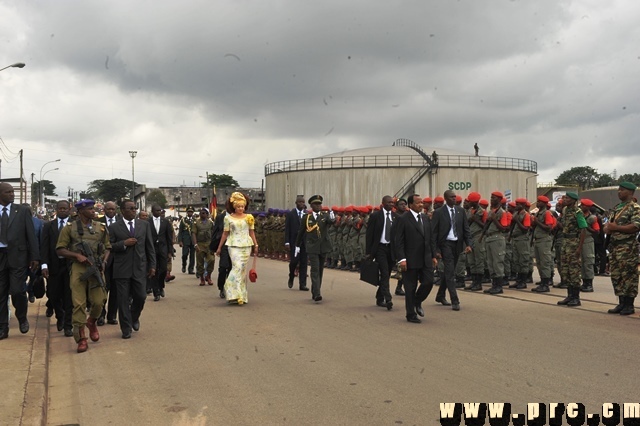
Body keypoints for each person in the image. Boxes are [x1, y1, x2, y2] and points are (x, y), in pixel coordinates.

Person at [56, 199, 110, 352]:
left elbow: (108, 247)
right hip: (79, 268)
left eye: (94, 209)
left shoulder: (101, 228)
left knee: (99, 301)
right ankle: (81, 338)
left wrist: (104, 262)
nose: (94, 211)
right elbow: (60, 249)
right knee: (78, 304)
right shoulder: (69, 228)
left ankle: (91, 321)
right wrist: (76, 255)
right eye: (90, 209)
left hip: (96, 267)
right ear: (81, 211)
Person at [108, 200, 156, 339]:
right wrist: (123, 244)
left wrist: (152, 265)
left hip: (140, 268)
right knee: (122, 300)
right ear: (122, 211)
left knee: (141, 296)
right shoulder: (114, 227)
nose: (134, 210)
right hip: (121, 269)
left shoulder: (144, 225)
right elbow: (109, 246)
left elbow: (149, 247)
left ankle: (134, 317)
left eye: (135, 208)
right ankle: (126, 328)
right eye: (130, 208)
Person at [0, 182, 39, 340]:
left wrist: (35, 256)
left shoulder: (22, 211)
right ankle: (3, 327)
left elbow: (31, 234)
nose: (12, 194)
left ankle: (22, 317)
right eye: (8, 192)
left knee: (17, 291)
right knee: (1, 294)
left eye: (12, 191)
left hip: (18, 257)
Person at [394, 194, 437, 323]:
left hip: (425, 257)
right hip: (410, 259)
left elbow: (430, 239)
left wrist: (433, 255)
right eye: (418, 203)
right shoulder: (403, 219)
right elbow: (399, 241)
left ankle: (417, 301)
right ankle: (410, 314)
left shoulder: (425, 218)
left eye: (422, 202)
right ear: (411, 205)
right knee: (410, 287)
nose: (421, 205)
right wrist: (402, 259)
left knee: (428, 282)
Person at [431, 190, 472, 311]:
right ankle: (455, 300)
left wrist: (469, 244)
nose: (454, 199)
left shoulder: (460, 211)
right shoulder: (439, 213)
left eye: (455, 197)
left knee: (449, 271)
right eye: (451, 197)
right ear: (445, 198)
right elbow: (433, 233)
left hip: (457, 244)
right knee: (450, 272)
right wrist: (436, 250)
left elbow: (466, 229)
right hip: (445, 244)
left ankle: (440, 295)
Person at [604, 182, 640, 315]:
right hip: (615, 246)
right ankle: (621, 302)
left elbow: (636, 226)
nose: (619, 192)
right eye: (619, 190)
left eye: (622, 190)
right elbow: (610, 225)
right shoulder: (617, 208)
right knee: (617, 275)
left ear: (631, 193)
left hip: (627, 247)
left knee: (628, 276)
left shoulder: (634, 208)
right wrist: (607, 228)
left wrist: (616, 228)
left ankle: (629, 305)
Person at [215, 192, 258, 305]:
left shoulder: (249, 217)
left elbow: (251, 232)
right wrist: (219, 247)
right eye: (238, 206)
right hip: (233, 245)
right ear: (234, 206)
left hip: (246, 245)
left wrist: (256, 245)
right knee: (237, 267)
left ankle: (241, 296)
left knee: (242, 270)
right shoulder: (228, 218)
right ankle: (230, 289)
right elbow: (225, 234)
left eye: (242, 206)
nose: (241, 208)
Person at [41, 200, 74, 336]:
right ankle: (60, 316)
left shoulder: (75, 225)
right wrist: (44, 264)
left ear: (69, 210)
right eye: (60, 208)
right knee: (53, 295)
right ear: (56, 210)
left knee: (69, 297)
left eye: (65, 208)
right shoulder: (49, 226)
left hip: (70, 266)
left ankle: (68, 325)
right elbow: (44, 246)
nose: (62, 211)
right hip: (54, 266)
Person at [295, 195, 336, 302]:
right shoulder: (307, 218)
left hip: (323, 247)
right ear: (311, 205)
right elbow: (301, 232)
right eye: (316, 204)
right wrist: (297, 245)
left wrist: (333, 218)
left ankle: (315, 291)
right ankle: (317, 293)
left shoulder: (325, 216)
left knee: (320, 270)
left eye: (319, 204)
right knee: (315, 270)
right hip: (312, 247)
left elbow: (331, 222)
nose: (318, 206)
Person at [365, 195, 398, 310]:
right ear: (383, 203)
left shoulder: (395, 217)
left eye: (392, 203)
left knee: (387, 274)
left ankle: (379, 297)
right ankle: (388, 298)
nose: (391, 204)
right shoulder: (375, 216)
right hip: (380, 248)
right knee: (384, 272)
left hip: (391, 249)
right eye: (389, 202)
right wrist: (368, 252)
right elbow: (369, 235)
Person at [557, 192, 587, 307]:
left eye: (567, 198)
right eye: (564, 197)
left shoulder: (578, 212)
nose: (564, 199)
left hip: (573, 242)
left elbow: (583, 229)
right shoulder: (565, 211)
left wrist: (579, 248)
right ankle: (569, 296)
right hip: (565, 242)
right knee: (566, 270)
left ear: (574, 201)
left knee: (574, 270)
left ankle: (576, 297)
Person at [480, 191, 509, 294]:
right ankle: (494, 285)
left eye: (494, 198)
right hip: (489, 238)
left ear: (500, 200)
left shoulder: (502, 212)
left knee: (497, 262)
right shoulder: (491, 211)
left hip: (497, 238)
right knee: (490, 263)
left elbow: (504, 228)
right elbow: (486, 226)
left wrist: (494, 219)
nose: (492, 199)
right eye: (491, 197)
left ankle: (499, 286)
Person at [97, 201, 120, 325]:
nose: (111, 211)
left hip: (118, 261)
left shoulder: (121, 221)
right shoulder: (97, 221)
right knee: (102, 289)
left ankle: (112, 316)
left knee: (116, 290)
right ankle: (100, 315)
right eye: (108, 209)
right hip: (103, 261)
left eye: (113, 209)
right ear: (104, 210)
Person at [147, 204, 173, 301]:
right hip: (152, 249)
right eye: (157, 211)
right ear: (152, 211)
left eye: (160, 210)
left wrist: (170, 251)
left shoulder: (165, 222)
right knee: (154, 271)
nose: (159, 212)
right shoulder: (147, 223)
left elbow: (169, 237)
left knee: (163, 270)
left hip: (163, 249)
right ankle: (156, 292)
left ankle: (161, 286)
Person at [530, 196, 556, 293]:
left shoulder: (547, 213)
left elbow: (549, 227)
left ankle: (546, 284)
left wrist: (537, 222)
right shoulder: (538, 213)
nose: (538, 203)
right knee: (539, 263)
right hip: (538, 240)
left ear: (544, 204)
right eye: (538, 201)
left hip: (544, 240)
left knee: (545, 262)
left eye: (540, 202)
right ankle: (542, 282)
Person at [284, 195, 309, 291]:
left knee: (304, 263)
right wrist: (287, 242)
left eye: (303, 202)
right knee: (294, 261)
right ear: (296, 203)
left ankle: (302, 284)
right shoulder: (291, 214)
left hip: (304, 243)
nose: (302, 204)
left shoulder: (306, 214)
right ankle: (291, 275)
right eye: (300, 202)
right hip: (294, 242)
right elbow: (287, 229)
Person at [579, 199, 599, 293]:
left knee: (588, 262)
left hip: (588, 240)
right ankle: (584, 282)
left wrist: (586, 226)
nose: (581, 207)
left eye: (583, 205)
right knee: (581, 263)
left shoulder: (592, 218)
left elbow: (596, 231)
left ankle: (589, 284)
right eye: (581, 205)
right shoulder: (579, 215)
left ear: (588, 207)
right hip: (579, 240)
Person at [210, 209, 230, 299]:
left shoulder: (239, 216)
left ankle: (230, 289)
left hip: (236, 246)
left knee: (232, 269)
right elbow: (215, 232)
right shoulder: (220, 217)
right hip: (224, 246)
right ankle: (221, 287)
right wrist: (213, 247)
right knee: (223, 267)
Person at [192, 208, 215, 285]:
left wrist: (214, 244)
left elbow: (213, 233)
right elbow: (193, 233)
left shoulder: (210, 223)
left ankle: (208, 276)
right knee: (200, 262)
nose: (203, 214)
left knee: (211, 260)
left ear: (207, 214)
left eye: (204, 213)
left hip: (209, 244)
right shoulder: (196, 223)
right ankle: (202, 278)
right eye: (201, 213)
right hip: (200, 244)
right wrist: (195, 244)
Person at [178, 206, 196, 274]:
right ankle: (184, 265)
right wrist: (180, 241)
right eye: (189, 211)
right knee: (184, 254)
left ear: (193, 212)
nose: (190, 213)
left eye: (191, 212)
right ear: (187, 212)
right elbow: (180, 231)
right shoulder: (183, 220)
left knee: (192, 256)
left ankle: (190, 269)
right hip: (185, 240)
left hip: (193, 241)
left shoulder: (195, 220)